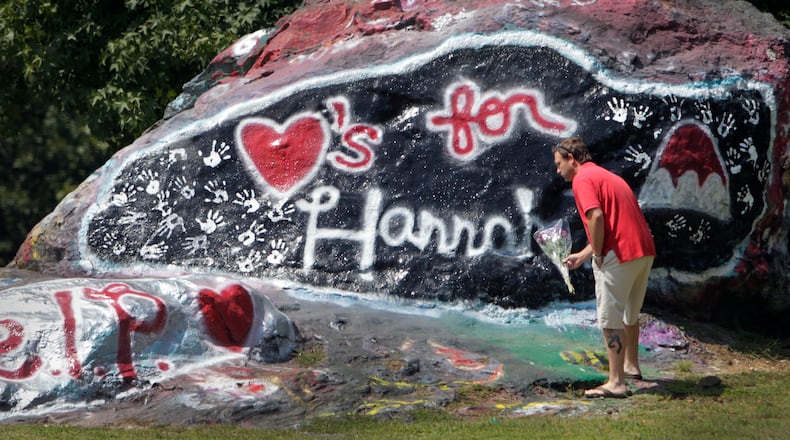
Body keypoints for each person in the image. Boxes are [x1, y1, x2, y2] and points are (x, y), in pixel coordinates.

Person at [552, 136, 656, 399]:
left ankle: (616, 382)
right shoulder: (607, 176)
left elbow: (596, 216)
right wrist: (584, 255)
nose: (557, 170)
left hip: (618, 254)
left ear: (571, 159)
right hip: (643, 251)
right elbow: (612, 223)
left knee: (610, 319)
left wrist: (597, 254)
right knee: (629, 314)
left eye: (558, 164)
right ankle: (631, 367)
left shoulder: (582, 180)